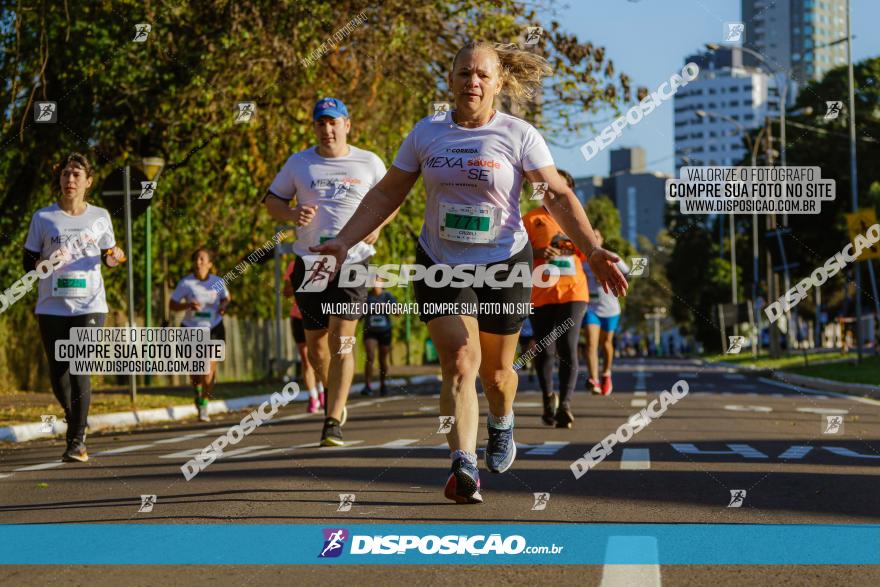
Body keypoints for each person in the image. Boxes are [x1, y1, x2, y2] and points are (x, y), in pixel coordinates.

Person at [314, 42, 627, 504]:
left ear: (499, 82)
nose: (472, 83)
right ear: (451, 80)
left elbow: (555, 195)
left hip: (503, 263)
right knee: (460, 362)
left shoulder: (519, 135)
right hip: (441, 263)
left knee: (498, 375)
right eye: (463, 74)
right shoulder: (427, 133)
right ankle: (463, 464)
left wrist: (593, 249)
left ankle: (502, 423)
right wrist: (344, 239)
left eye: (482, 75)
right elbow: (387, 194)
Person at [264, 96, 390, 446]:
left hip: (353, 259)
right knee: (317, 348)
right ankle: (334, 392)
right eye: (321, 122)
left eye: (334, 121)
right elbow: (272, 201)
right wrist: (290, 215)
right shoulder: (299, 163)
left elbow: (390, 199)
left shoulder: (369, 161)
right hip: (311, 261)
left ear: (347, 124)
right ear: (315, 127)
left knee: (342, 339)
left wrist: (377, 225)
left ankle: (333, 418)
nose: (328, 128)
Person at [24, 152, 126, 462]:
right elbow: (28, 259)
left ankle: (77, 440)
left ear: (88, 182)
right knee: (59, 375)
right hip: (51, 306)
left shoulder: (99, 217)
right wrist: (42, 263)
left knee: (80, 366)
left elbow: (110, 256)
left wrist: (115, 257)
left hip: (90, 305)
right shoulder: (44, 218)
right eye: (66, 174)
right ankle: (75, 421)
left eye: (76, 175)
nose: (70, 179)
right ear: (60, 179)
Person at [522, 169, 588, 428]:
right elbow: (516, 253)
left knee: (567, 346)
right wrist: (537, 251)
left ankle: (566, 404)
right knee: (545, 350)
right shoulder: (530, 219)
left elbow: (585, 254)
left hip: (574, 291)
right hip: (541, 293)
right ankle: (549, 397)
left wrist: (592, 241)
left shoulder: (577, 220)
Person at [170, 248, 230, 421]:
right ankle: (197, 391)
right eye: (196, 259)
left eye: (203, 259)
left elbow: (226, 298)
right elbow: (172, 305)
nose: (199, 262)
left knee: (208, 368)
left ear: (210, 264)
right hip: (191, 328)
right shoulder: (186, 283)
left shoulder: (218, 282)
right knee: (195, 371)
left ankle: (204, 405)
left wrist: (223, 306)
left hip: (214, 328)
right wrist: (187, 306)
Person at [582, 229, 628, 395]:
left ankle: (606, 374)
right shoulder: (582, 260)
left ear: (601, 239)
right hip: (590, 307)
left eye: (597, 236)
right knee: (591, 343)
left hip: (610, 308)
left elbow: (628, 273)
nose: (594, 238)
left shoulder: (612, 256)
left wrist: (609, 275)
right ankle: (593, 379)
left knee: (606, 343)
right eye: (591, 235)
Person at [283, 260, 324, 413]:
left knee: (318, 357)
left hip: (317, 315)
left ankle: (321, 389)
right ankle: (312, 397)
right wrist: (294, 285)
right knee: (306, 359)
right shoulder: (293, 264)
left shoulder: (322, 261)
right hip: (298, 316)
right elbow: (286, 292)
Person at [362, 283, 397, 397]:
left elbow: (398, 313)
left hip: (385, 331)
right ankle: (368, 385)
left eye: (378, 280)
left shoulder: (388, 296)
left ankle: (383, 385)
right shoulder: (365, 296)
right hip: (370, 331)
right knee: (370, 356)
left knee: (382, 359)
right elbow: (358, 314)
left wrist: (387, 306)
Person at [517, 317, 536, 382]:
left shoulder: (534, 309)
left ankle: (531, 372)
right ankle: (524, 363)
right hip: (522, 335)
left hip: (532, 335)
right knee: (523, 353)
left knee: (532, 353)